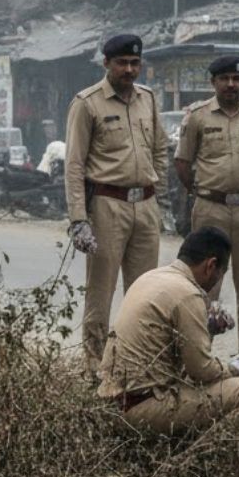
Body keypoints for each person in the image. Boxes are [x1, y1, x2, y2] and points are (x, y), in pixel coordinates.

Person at [97, 227, 239, 434]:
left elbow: (171, 351)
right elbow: (201, 371)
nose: (216, 283)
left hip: (112, 405)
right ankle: (198, 457)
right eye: (220, 274)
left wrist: (207, 329)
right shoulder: (188, 294)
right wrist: (236, 368)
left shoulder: (152, 276)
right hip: (141, 409)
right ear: (211, 265)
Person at [64, 34, 167, 377]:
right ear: (105, 63)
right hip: (107, 205)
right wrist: (79, 219)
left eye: (135, 63)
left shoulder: (148, 100)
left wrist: (158, 195)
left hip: (146, 205)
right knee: (101, 291)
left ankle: (137, 365)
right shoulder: (87, 103)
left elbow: (160, 150)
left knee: (144, 293)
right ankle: (95, 367)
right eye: (122, 63)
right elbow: (75, 165)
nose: (129, 69)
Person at [174, 56, 239, 383]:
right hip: (210, 207)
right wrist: (202, 193)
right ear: (213, 82)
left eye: (236, 79)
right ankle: (199, 359)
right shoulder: (198, 117)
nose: (231, 85)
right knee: (204, 287)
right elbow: (183, 163)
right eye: (225, 79)